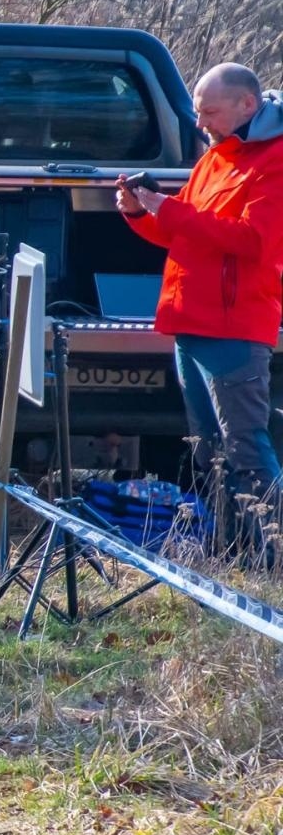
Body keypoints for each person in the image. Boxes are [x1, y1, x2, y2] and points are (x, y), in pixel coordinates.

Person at [116, 63, 283, 506]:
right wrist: (139, 211)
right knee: (209, 451)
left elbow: (254, 241)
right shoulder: (216, 155)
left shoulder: (276, 160)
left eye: (209, 112)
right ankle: (232, 550)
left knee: (246, 448)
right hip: (191, 323)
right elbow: (179, 232)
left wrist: (165, 208)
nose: (199, 122)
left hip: (234, 329)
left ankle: (275, 549)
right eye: (197, 111)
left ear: (247, 104)